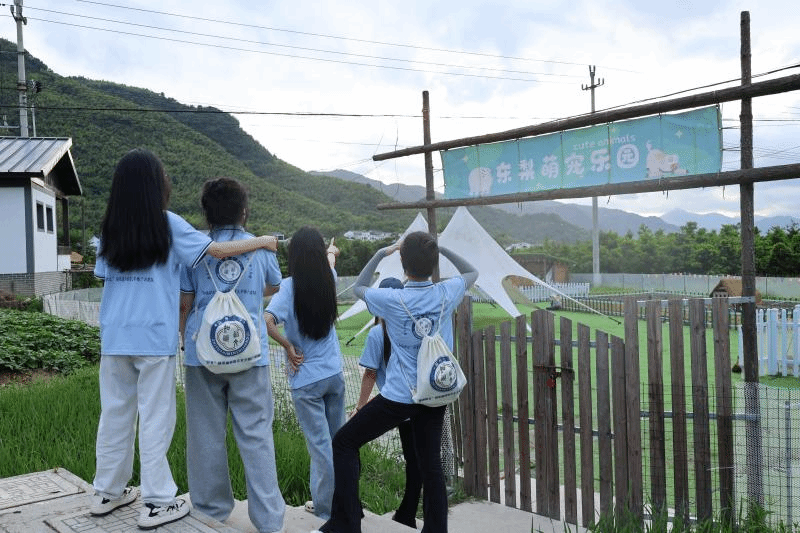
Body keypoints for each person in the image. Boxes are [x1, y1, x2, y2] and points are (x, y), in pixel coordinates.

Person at [90, 149, 278, 530]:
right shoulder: (167, 223)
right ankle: (158, 501)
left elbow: (107, 277)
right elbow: (218, 250)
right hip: (154, 337)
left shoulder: (110, 228)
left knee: (115, 414)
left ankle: (107, 491)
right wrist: (263, 241)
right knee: (155, 418)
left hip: (115, 336)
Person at [317, 231, 477, 533]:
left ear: (403, 262)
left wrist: (381, 253)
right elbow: (472, 273)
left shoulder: (392, 299)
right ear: (433, 262)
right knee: (430, 465)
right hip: (435, 393)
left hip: (399, 397)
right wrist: (441, 250)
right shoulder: (446, 293)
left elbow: (360, 287)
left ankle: (346, 523)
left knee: (344, 442)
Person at [178, 177, 285, 533]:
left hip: (202, 353)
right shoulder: (262, 248)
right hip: (251, 353)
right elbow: (273, 286)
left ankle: (211, 511)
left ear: (207, 214)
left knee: (205, 434)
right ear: (244, 212)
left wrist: (184, 338)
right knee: (256, 435)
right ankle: (269, 521)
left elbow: (185, 301)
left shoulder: (195, 249)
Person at [265, 227, 346, 522]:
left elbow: (267, 320)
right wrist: (331, 252)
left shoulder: (288, 287)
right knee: (340, 443)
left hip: (306, 379)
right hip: (334, 374)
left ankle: (325, 511)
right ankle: (344, 502)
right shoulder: (329, 279)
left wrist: (288, 346)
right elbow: (330, 263)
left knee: (320, 447)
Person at [352, 276, 422, 529]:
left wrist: (360, 407)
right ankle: (407, 515)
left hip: (393, 404)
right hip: (419, 404)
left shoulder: (377, 333)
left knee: (348, 442)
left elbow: (370, 374)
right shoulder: (413, 327)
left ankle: (351, 506)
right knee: (416, 460)